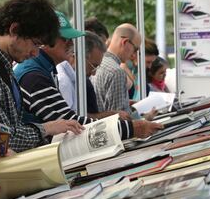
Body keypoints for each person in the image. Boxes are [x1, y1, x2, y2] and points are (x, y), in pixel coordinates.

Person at [0, 0, 84, 153]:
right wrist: (46, 128)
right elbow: (1, 140)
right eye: (35, 44)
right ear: (14, 29)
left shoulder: (1, 65)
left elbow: (10, 129)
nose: (35, 53)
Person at [14, 12, 163, 139]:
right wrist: (131, 129)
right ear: (44, 40)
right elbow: (70, 123)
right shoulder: (34, 75)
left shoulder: (45, 70)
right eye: (65, 39)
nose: (71, 43)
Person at [91, 23, 142, 113]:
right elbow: (119, 121)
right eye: (135, 49)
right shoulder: (116, 72)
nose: (134, 55)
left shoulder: (98, 62)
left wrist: (126, 103)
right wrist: (145, 117)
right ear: (125, 42)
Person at [57, 31, 106, 115]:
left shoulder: (72, 78)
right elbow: (71, 121)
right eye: (93, 66)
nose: (94, 73)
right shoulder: (64, 82)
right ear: (77, 57)